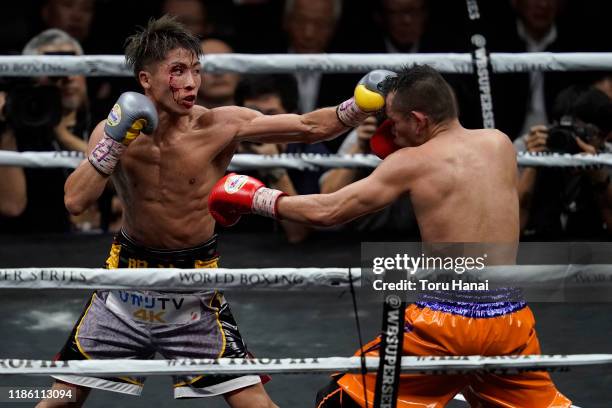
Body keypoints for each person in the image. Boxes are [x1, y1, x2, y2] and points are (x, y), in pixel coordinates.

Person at [36, 15, 391, 408]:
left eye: (195, 70)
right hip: (125, 284)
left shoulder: (220, 125)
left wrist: (357, 107)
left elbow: (308, 126)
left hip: (194, 289)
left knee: (256, 404)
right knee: (59, 401)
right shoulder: (112, 130)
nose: (190, 82)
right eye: (177, 71)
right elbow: (74, 201)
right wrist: (115, 142)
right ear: (145, 80)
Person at [208, 65, 571, 407]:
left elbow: (328, 210)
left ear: (418, 119)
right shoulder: (500, 144)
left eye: (393, 121)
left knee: (340, 400)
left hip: (446, 327)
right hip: (510, 320)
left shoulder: (411, 163)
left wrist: (256, 197)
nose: (388, 130)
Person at [0, 28, 91, 233]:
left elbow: (125, 182)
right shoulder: (14, 130)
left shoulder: (107, 118)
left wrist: (62, 135)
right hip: (30, 249)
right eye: (53, 70)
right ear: (31, 78)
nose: (66, 78)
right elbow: (11, 206)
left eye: (72, 67)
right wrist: (4, 129)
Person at [234, 74, 329, 243]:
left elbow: (298, 233)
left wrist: (274, 168)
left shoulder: (312, 153)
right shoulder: (226, 152)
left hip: (296, 257)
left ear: (293, 116)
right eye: (252, 115)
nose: (260, 124)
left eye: (271, 114)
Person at [516, 85, 612, 239]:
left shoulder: (608, 158)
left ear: (606, 136)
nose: (573, 141)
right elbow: (509, 234)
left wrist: (597, 172)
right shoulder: (526, 149)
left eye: (584, 133)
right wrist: (532, 164)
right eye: (567, 131)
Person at [197, 38, 239, 108]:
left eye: (226, 64)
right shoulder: (175, 118)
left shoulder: (260, 116)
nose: (219, 73)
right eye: (207, 66)